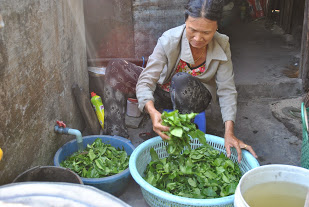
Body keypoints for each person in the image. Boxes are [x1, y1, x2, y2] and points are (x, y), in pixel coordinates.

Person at [103, 0, 257, 162]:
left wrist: (229, 132)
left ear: (217, 26)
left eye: (206, 33)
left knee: (181, 79)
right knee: (116, 67)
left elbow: (227, 90)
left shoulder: (222, 44)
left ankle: (180, 138)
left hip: (193, 97)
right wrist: (152, 111)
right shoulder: (169, 39)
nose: (198, 38)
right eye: (193, 30)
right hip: (163, 92)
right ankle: (116, 139)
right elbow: (147, 79)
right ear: (185, 22)